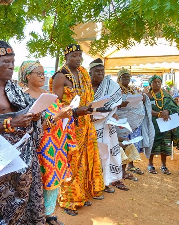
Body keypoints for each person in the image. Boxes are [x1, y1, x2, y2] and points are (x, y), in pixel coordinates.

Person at [0, 41, 46, 224]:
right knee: (4, 200)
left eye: (12, 62)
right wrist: (11, 124)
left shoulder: (15, 88)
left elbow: (27, 110)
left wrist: (34, 115)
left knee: (25, 194)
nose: (10, 66)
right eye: (5, 61)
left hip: (24, 152)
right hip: (1, 157)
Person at [18, 60, 75, 225]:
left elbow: (58, 115)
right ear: (28, 76)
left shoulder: (48, 95)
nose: (43, 76)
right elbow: (30, 124)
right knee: (38, 182)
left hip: (56, 145)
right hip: (39, 146)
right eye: (39, 73)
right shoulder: (24, 96)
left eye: (44, 73)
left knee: (53, 180)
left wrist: (66, 114)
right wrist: (58, 117)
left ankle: (49, 215)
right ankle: (38, 216)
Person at [50, 44, 104, 216]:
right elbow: (55, 106)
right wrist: (74, 112)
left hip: (85, 124)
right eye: (74, 55)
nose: (78, 58)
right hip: (68, 126)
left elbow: (88, 98)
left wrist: (90, 110)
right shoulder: (60, 76)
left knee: (85, 160)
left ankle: (82, 194)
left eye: (80, 55)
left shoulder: (83, 73)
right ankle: (68, 200)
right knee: (71, 162)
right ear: (66, 57)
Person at [89, 58, 132, 192]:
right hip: (89, 126)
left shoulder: (110, 85)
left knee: (106, 154)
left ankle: (105, 181)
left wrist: (113, 113)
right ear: (90, 73)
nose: (101, 74)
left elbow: (114, 104)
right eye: (97, 72)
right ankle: (91, 184)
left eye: (102, 72)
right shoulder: (85, 86)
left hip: (107, 127)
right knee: (92, 155)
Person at [116, 68, 155, 175]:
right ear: (119, 78)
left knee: (131, 142)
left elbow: (141, 100)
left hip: (134, 121)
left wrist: (142, 98)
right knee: (122, 142)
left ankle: (130, 164)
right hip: (121, 120)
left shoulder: (132, 89)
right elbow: (114, 103)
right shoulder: (116, 89)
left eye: (128, 77)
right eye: (124, 77)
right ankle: (121, 169)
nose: (126, 79)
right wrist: (122, 104)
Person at [146, 75, 179, 175]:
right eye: (155, 82)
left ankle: (164, 165)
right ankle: (150, 164)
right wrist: (158, 114)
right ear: (150, 84)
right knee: (152, 144)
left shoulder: (166, 95)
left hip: (165, 124)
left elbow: (175, 108)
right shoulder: (147, 96)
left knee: (165, 144)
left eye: (159, 82)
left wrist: (167, 111)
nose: (157, 84)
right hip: (152, 124)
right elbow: (145, 110)